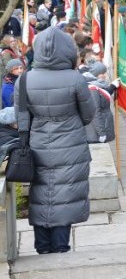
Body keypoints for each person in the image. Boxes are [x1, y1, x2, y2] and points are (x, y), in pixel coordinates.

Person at [15, 28, 96, 254]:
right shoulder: (75, 78)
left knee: (40, 194)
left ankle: (42, 245)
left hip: (38, 144)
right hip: (71, 144)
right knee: (66, 194)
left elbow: (22, 118)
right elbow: (89, 115)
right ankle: (61, 246)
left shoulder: (25, 79)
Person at [82, 62, 118, 143]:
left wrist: (112, 87)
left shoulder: (97, 85)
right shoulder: (92, 89)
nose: (105, 75)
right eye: (102, 73)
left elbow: (103, 95)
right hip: (95, 134)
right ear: (96, 74)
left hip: (99, 129)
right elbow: (95, 112)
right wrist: (101, 133)